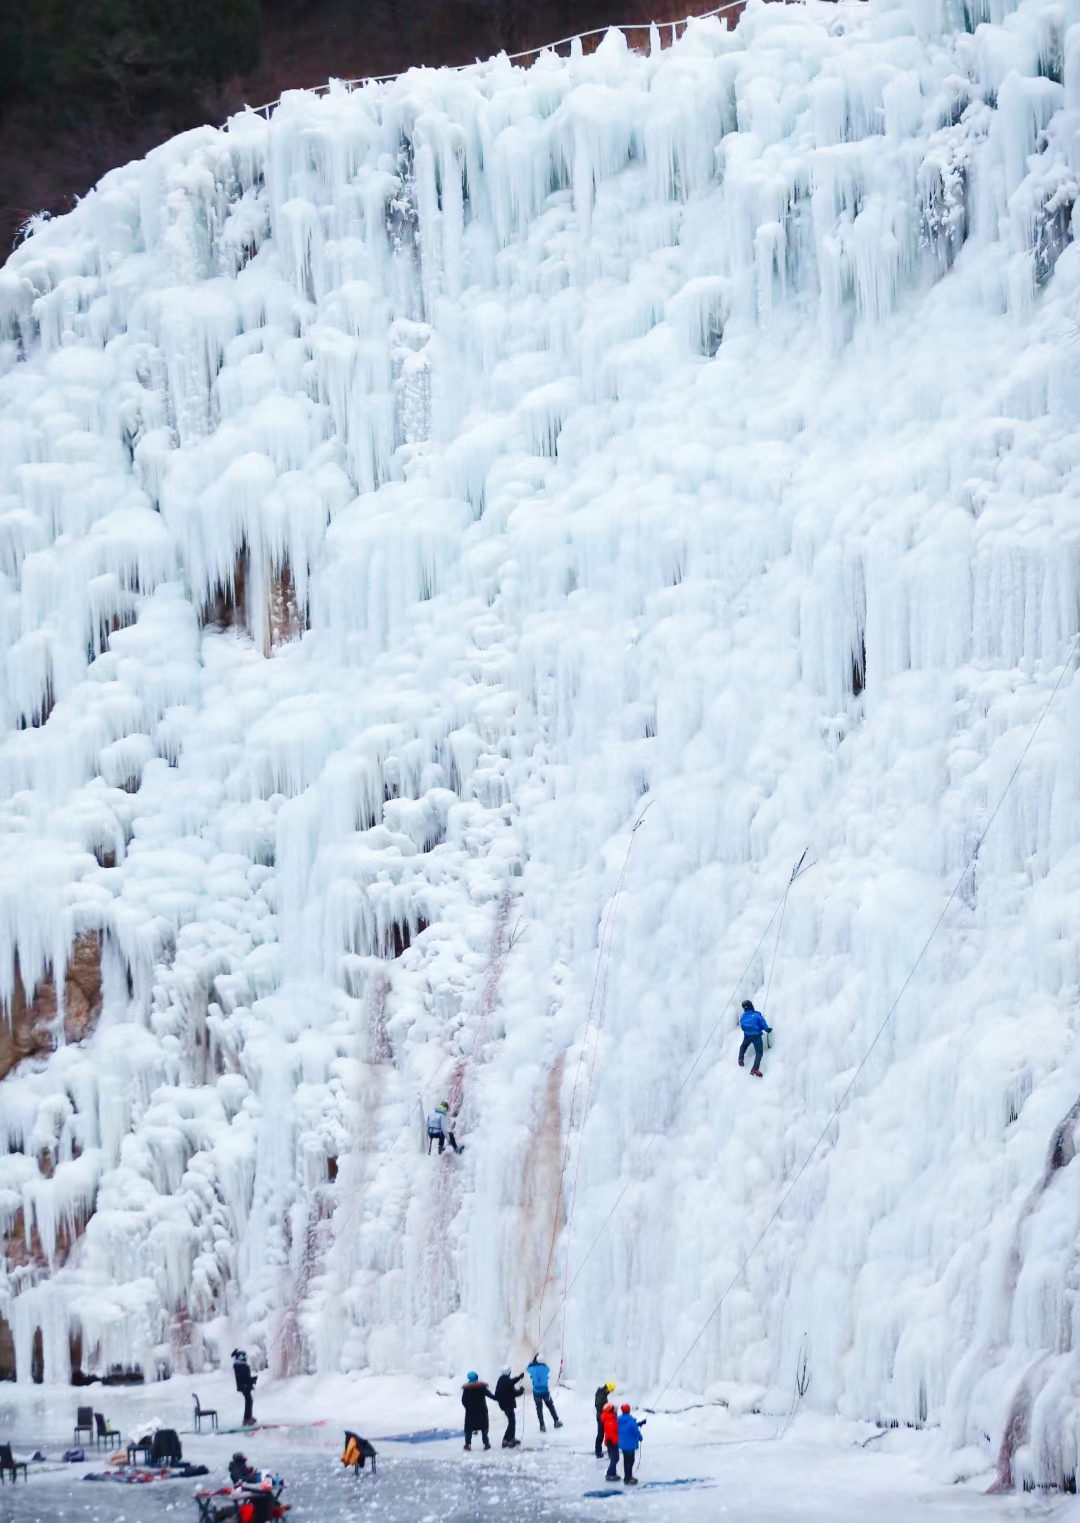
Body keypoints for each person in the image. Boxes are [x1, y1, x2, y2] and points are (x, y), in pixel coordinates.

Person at [526, 1353, 562, 1431]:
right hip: (545, 1391)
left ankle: (542, 1426)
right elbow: (547, 1370)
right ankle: (556, 1421)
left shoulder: (533, 1368)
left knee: (539, 1409)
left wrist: (532, 1362)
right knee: (550, 1406)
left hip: (537, 1392)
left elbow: (528, 1368)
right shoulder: (546, 1368)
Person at [461, 1371, 495, 1450]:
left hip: (470, 1412)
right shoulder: (482, 1387)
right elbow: (491, 1396)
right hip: (482, 1411)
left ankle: (468, 1444)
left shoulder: (467, 1389)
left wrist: (468, 1407)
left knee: (468, 1429)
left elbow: (463, 1401)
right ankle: (485, 1444)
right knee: (484, 1428)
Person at [738, 999, 771, 1077]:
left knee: (743, 1047)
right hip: (756, 1037)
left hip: (747, 1036)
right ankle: (755, 1069)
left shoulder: (743, 1016)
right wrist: (767, 1029)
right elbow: (763, 1023)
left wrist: (748, 1031)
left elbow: (742, 1026)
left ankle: (740, 1059)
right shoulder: (757, 1015)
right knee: (759, 1052)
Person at [494, 1366, 524, 1447]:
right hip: (508, 1404)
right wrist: (521, 1391)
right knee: (511, 1422)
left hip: (503, 1404)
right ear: (509, 1372)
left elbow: (511, 1382)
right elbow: (513, 1392)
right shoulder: (507, 1381)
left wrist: (519, 1377)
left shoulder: (501, 1380)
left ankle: (511, 1438)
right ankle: (506, 1439)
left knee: (512, 1421)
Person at [617, 1403, 644, 1485]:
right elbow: (636, 1431)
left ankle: (627, 1477)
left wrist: (639, 1424)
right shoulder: (631, 1421)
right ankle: (629, 1477)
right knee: (631, 1461)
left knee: (626, 1461)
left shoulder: (618, 1420)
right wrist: (640, 1437)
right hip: (630, 1444)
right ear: (629, 1410)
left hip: (622, 1444)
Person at [232, 1349, 256, 1426]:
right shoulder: (242, 1367)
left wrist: (252, 1380)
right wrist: (253, 1380)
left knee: (249, 1401)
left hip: (243, 1386)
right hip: (245, 1386)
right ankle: (248, 1418)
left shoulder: (239, 1366)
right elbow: (245, 1378)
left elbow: (245, 1378)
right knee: (249, 1401)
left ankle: (248, 1417)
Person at [594, 1381, 615, 1457]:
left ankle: (600, 1450)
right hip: (601, 1417)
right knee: (601, 1434)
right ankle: (598, 1452)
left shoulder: (602, 1393)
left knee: (604, 1433)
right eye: (610, 1391)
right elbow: (598, 1406)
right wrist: (607, 1409)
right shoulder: (602, 1395)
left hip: (602, 1416)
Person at [601, 1401, 620, 1480]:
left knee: (613, 1458)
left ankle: (613, 1472)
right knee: (615, 1458)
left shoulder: (609, 1418)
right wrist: (616, 1441)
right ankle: (609, 1473)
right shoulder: (610, 1420)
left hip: (610, 1441)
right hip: (612, 1442)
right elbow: (612, 1432)